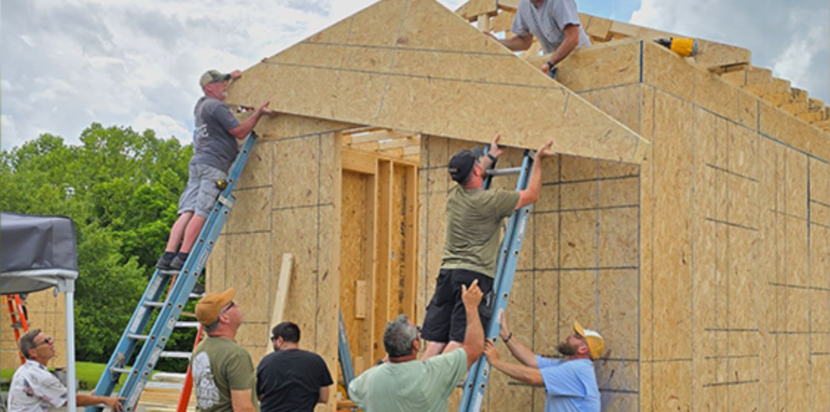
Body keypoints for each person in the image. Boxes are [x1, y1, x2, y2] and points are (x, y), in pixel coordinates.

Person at [420, 135, 555, 361]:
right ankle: (437, 378)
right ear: (475, 171)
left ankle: (420, 378)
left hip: (447, 274)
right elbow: (532, 194)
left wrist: (492, 154)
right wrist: (539, 160)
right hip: (472, 277)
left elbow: (475, 170)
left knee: (437, 341)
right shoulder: (492, 201)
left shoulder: (454, 195)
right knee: (459, 339)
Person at [156, 69, 275, 271]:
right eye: (220, 83)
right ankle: (183, 256)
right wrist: (258, 114)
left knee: (187, 211)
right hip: (214, 165)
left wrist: (230, 77)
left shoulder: (200, 106)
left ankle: (168, 256)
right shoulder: (217, 107)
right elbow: (240, 132)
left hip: (198, 164)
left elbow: (219, 88)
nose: (225, 85)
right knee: (202, 211)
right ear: (209, 88)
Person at [348, 280, 485, 412]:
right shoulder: (432, 373)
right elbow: (474, 348)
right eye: (417, 331)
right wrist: (471, 308)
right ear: (415, 345)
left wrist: (385, 361)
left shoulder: (370, 380)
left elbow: (353, 389)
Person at [483, 313, 604, 412]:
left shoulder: (578, 369)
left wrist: (497, 362)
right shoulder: (566, 365)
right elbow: (532, 361)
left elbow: (532, 377)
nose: (570, 336)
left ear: (583, 349)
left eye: (577, 336)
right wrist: (506, 335)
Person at [7, 329, 124, 412]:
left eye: (49, 339)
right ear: (33, 352)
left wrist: (89, 398)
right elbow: (69, 400)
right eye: (45, 342)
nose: (51, 342)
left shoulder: (25, 370)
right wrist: (105, 400)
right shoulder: (39, 376)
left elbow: (62, 397)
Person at [191, 288, 258, 412]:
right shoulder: (235, 355)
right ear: (224, 318)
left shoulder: (199, 350)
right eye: (232, 304)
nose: (237, 306)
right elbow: (242, 408)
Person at [487, 0, 591, 76]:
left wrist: (549, 63)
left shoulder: (559, 2)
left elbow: (572, 38)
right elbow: (524, 42)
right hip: (557, 67)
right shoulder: (525, 6)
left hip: (583, 62)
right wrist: (497, 42)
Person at [255, 322, 333, 412]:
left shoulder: (266, 362)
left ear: (280, 340)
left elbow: (257, 394)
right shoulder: (316, 361)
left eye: (273, 339)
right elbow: (324, 397)